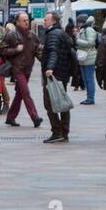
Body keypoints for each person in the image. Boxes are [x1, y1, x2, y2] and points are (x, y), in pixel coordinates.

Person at [0, 11, 43, 129]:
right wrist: (15, 50)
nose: (26, 22)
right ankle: (35, 117)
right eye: (23, 20)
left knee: (20, 94)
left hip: (28, 69)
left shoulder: (32, 36)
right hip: (17, 69)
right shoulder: (12, 35)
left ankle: (10, 117)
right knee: (26, 92)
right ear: (17, 22)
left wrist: (46, 61)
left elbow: (38, 51)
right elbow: (2, 51)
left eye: (27, 20)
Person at [40, 11, 77, 143]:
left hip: (55, 74)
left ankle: (57, 132)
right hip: (63, 73)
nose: (44, 22)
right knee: (62, 102)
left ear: (53, 21)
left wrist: (50, 68)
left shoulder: (53, 34)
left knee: (50, 103)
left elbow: (53, 52)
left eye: (46, 20)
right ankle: (64, 131)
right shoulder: (61, 33)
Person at [75, 14, 98, 105]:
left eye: (80, 22)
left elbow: (90, 42)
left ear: (84, 21)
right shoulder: (83, 29)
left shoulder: (89, 30)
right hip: (83, 57)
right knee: (85, 79)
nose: (79, 24)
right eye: (78, 22)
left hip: (89, 57)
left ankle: (90, 98)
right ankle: (88, 97)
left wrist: (77, 40)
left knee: (89, 79)